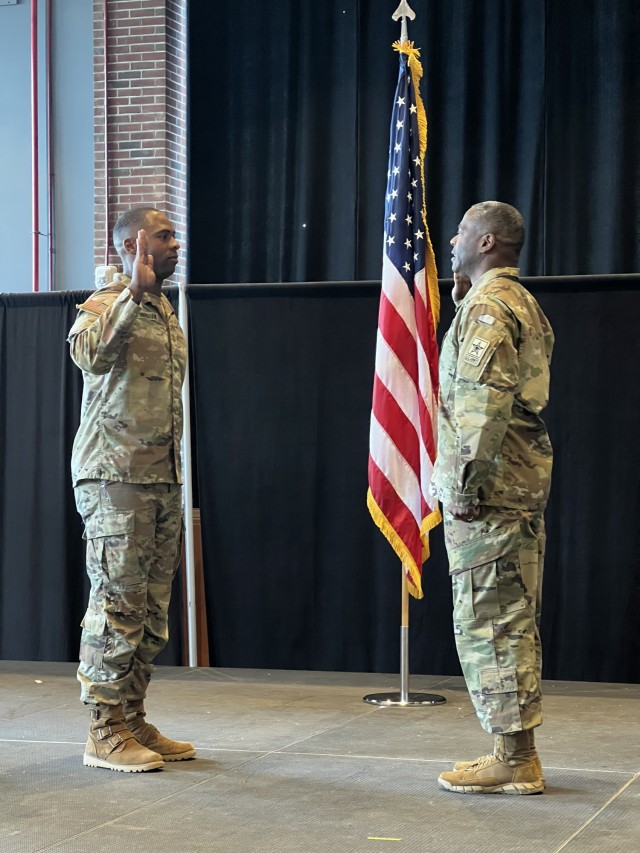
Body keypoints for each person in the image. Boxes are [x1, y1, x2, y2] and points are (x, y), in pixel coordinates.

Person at [432, 201, 554, 795]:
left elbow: (482, 407)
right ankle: (516, 750)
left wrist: (462, 487)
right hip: (516, 490)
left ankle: (513, 755)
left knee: (490, 621)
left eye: (460, 233)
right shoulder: (516, 301)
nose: (450, 241)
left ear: (486, 243)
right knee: (509, 618)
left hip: (491, 494)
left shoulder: (488, 307)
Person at [68, 207, 195, 772]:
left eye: (173, 234)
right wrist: (129, 296)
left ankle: (132, 717)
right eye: (164, 235)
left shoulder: (165, 310)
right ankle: (102, 727)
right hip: (114, 476)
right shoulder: (108, 301)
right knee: (116, 601)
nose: (175, 243)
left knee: (150, 609)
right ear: (130, 245)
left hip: (160, 476)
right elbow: (86, 355)